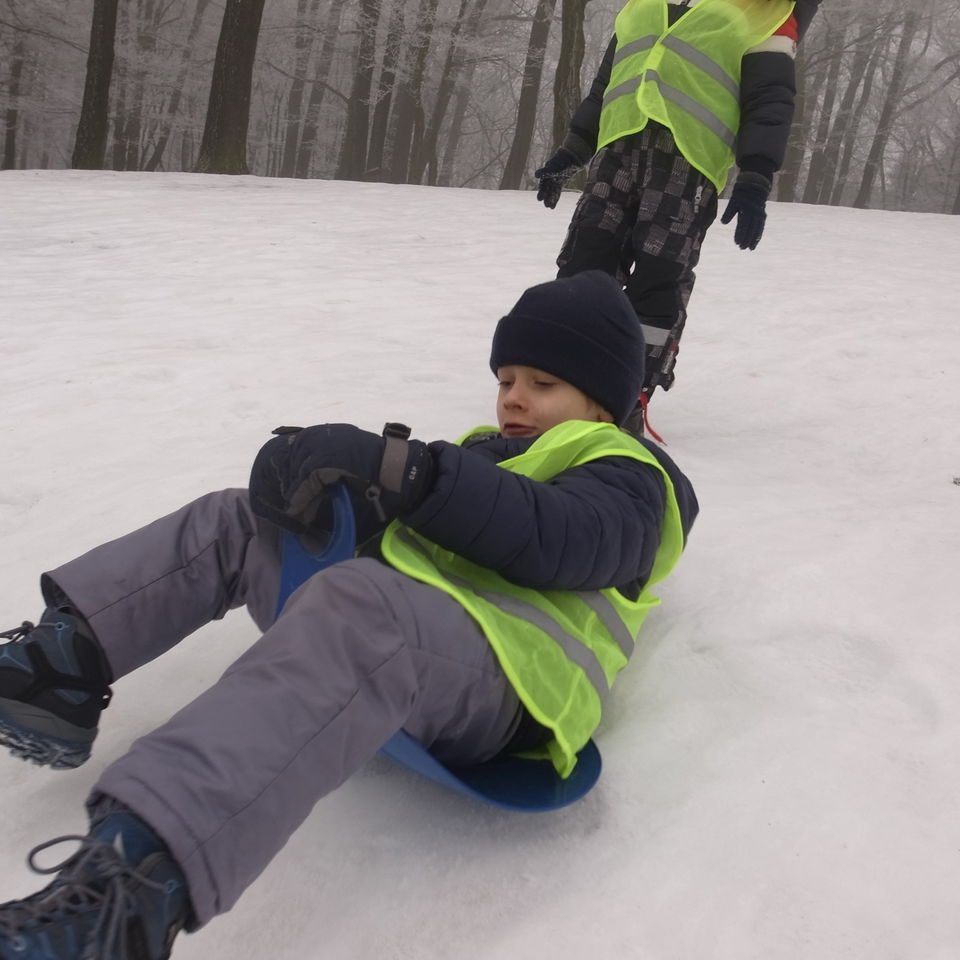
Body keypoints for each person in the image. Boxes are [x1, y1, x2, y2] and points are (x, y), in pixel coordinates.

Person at [0, 271, 698, 960]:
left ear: (603, 403)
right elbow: (424, 534)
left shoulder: (630, 473)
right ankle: (61, 666)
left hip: (508, 687)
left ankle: (128, 894)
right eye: (506, 378)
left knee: (358, 608)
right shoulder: (485, 454)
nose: (515, 398)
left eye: (543, 384)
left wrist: (414, 476)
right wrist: (331, 494)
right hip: (405, 641)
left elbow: (556, 537)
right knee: (236, 521)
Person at [534, 0, 822, 429]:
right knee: (582, 268)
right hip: (617, 154)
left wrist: (756, 174)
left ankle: (628, 394)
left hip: (687, 165)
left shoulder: (765, 12)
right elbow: (606, 83)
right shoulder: (642, 4)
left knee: (657, 281)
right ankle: (561, 378)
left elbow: (770, 98)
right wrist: (572, 149)